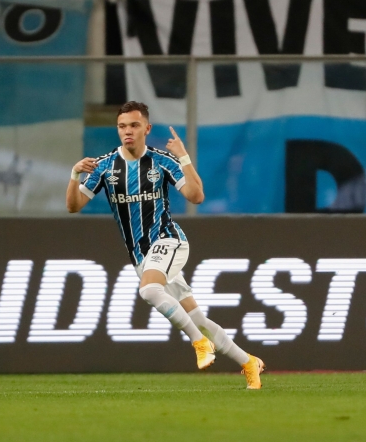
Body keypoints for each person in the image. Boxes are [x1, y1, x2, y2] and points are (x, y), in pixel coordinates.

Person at [65, 101, 264, 390]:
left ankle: (199, 343)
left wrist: (183, 157)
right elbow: (74, 205)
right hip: (141, 256)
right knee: (198, 317)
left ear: (147, 128)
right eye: (122, 126)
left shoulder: (161, 162)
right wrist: (74, 175)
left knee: (149, 290)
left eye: (134, 125)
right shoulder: (105, 166)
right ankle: (248, 362)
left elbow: (196, 196)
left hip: (168, 241)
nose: (128, 131)